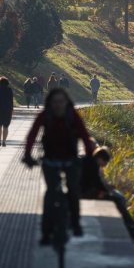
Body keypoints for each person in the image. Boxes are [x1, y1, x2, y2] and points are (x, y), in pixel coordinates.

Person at [23, 88, 95, 243]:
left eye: (61, 101)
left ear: (66, 102)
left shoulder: (72, 115)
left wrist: (89, 156)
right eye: (55, 102)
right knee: (50, 193)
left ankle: (75, 224)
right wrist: (27, 155)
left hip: (70, 159)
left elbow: (84, 135)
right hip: (50, 159)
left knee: (73, 190)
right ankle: (46, 232)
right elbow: (32, 135)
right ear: (50, 103)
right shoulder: (45, 115)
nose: (58, 105)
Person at [80, 146, 134, 237]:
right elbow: (96, 181)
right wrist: (105, 191)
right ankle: (131, 224)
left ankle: (130, 223)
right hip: (84, 193)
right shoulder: (93, 165)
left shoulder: (88, 161)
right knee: (116, 200)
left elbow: (94, 181)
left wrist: (105, 189)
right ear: (100, 158)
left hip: (82, 190)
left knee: (115, 198)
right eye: (105, 162)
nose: (105, 164)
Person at [0, 77, 14, 147]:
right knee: (6, 126)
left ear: (0, 82)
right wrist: (11, 109)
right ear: (7, 82)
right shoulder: (9, 90)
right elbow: (11, 100)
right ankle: (4, 141)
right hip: (7, 110)